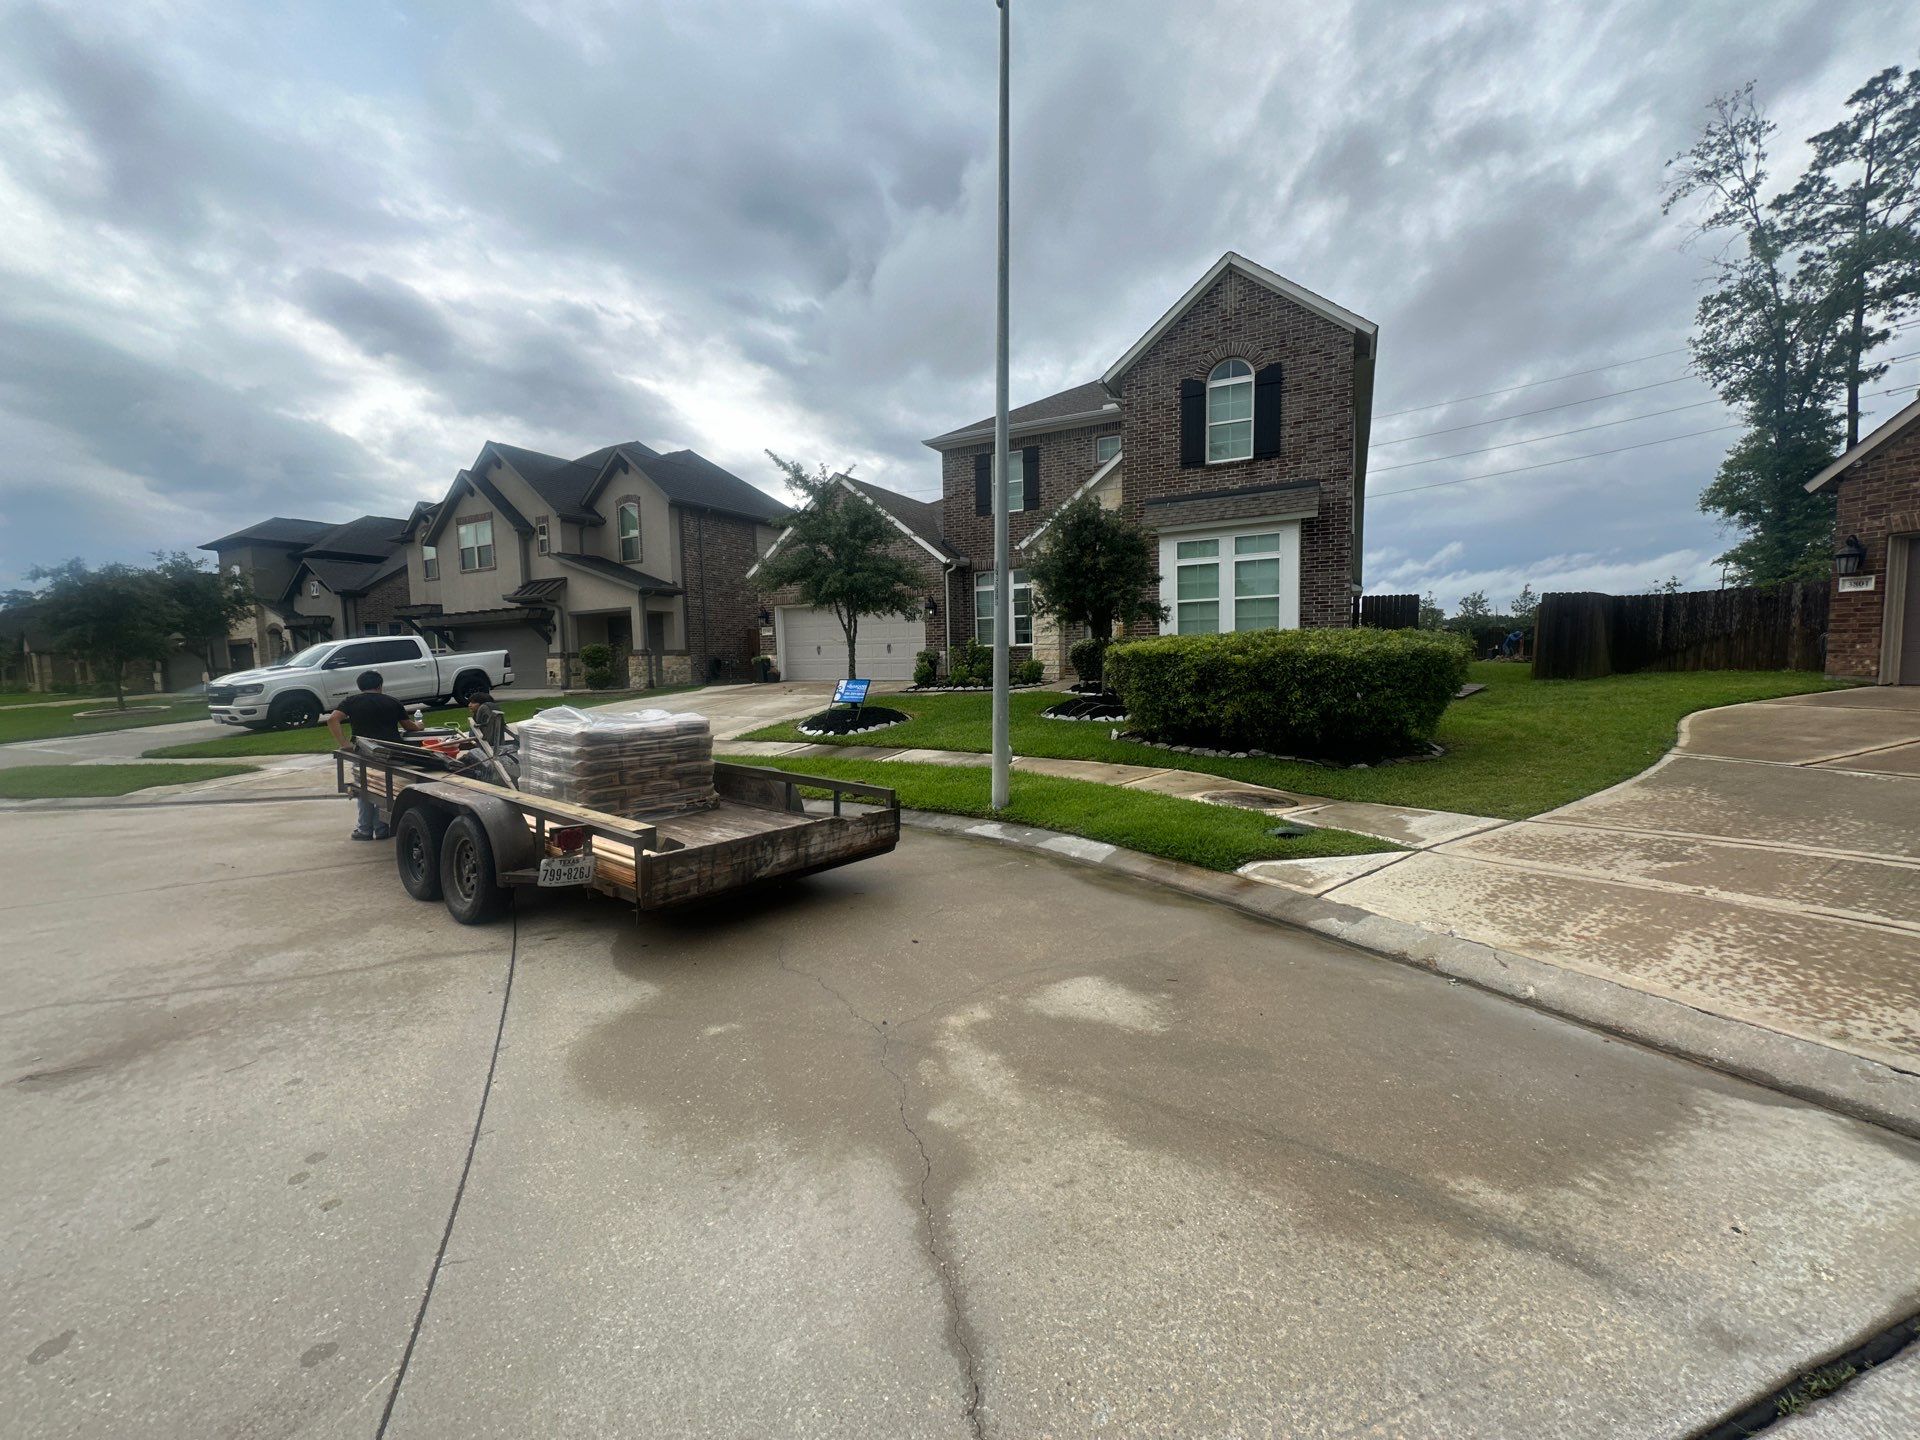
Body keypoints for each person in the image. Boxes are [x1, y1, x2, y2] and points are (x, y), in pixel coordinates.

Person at [326, 670, 423, 840]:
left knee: (365, 788)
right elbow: (408, 726)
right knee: (383, 788)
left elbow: (332, 719)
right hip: (389, 751)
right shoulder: (392, 702)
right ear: (380, 685)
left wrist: (344, 744)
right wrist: (420, 725)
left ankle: (364, 829)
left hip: (363, 750)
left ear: (360, 686)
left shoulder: (351, 701)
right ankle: (381, 828)